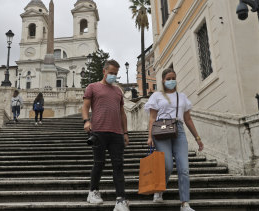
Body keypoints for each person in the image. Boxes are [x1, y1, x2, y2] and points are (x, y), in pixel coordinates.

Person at [144, 68, 204, 211]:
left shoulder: (181, 96)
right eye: (168, 78)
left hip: (179, 130)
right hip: (161, 130)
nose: (171, 81)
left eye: (173, 78)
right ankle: (158, 190)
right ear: (163, 80)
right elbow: (152, 118)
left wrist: (197, 138)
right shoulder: (157, 96)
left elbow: (188, 119)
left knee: (184, 168)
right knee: (168, 166)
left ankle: (185, 203)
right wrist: (149, 136)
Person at [82, 59, 130, 211]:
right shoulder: (93, 87)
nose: (113, 76)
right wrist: (86, 121)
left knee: (118, 165)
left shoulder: (118, 91)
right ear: (104, 71)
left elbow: (122, 113)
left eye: (115, 74)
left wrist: (125, 132)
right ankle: (93, 191)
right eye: (111, 73)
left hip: (116, 133)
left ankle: (121, 200)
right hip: (98, 131)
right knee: (99, 163)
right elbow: (85, 106)